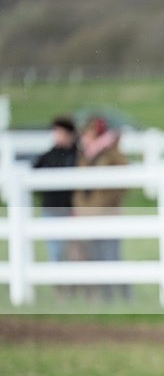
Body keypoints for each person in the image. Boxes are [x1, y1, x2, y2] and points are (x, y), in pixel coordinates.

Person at [72, 116, 129, 300]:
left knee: (111, 257)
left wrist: (102, 203)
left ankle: (123, 295)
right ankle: (104, 296)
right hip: (88, 215)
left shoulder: (111, 154)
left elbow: (121, 184)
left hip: (107, 213)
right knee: (94, 256)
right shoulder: (86, 156)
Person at [32, 116, 78, 263]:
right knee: (55, 252)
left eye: (60, 132)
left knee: (74, 251)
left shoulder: (77, 156)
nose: (57, 136)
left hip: (72, 209)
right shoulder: (48, 156)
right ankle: (59, 284)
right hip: (51, 209)